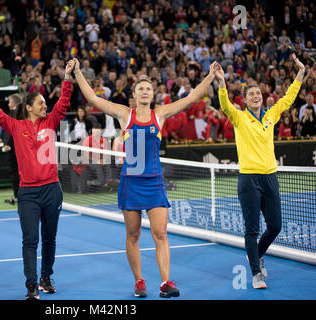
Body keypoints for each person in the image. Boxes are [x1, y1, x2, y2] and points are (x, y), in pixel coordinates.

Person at [72, 57, 217, 298]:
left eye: (149, 89)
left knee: (160, 234)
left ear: (153, 94)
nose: (146, 92)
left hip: (154, 182)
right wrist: (77, 72)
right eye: (141, 89)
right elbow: (93, 99)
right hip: (131, 183)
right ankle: (139, 281)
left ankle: (165, 283)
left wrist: (210, 76)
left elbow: (190, 99)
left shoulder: (160, 114)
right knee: (133, 235)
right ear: (134, 94)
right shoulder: (124, 114)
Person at [0, 59, 75, 300]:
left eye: (45, 103)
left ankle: (46, 277)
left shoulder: (51, 122)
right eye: (40, 103)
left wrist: (67, 77)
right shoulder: (16, 126)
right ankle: (31, 286)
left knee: (50, 238)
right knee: (30, 240)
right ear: (28, 107)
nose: (45, 106)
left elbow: (64, 101)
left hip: (52, 190)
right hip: (28, 193)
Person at [214, 53, 305, 289]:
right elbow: (224, 105)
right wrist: (222, 83)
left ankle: (256, 253)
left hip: (270, 177)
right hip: (248, 180)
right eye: (251, 94)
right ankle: (256, 273)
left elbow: (287, 99)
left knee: (275, 226)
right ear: (245, 100)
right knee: (251, 229)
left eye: (258, 94)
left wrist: (301, 72)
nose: (256, 96)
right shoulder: (239, 118)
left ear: (263, 98)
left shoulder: (271, 114)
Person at [3, 93, 22, 205]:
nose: (8, 104)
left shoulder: (17, 113)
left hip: (15, 148)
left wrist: (8, 144)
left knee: (15, 172)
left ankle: (17, 195)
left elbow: (13, 130)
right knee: (15, 172)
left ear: (14, 103)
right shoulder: (15, 113)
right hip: (14, 147)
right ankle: (17, 195)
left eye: (10, 102)